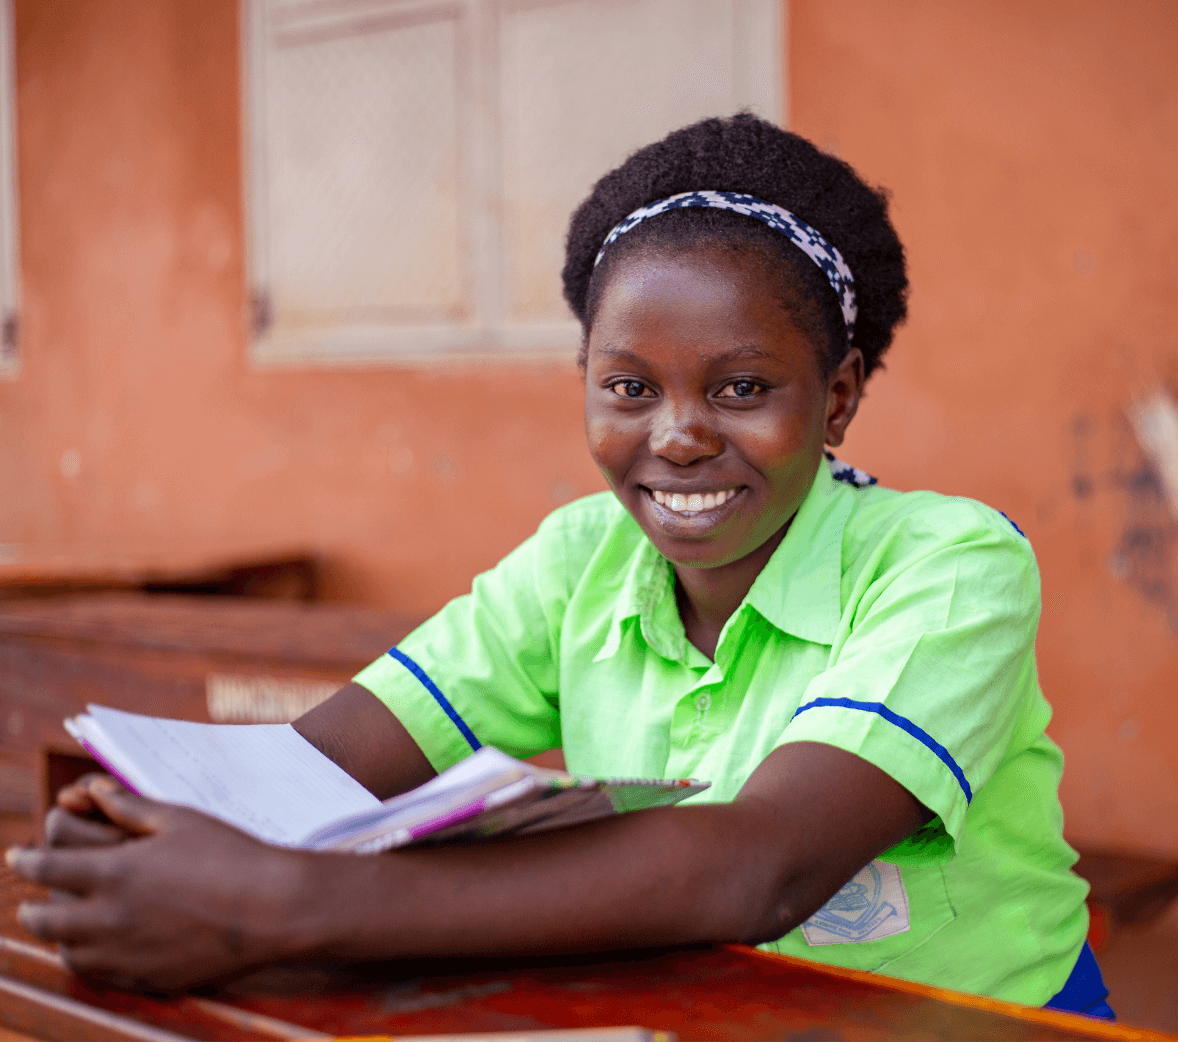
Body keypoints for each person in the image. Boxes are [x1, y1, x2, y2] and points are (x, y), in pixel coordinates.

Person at [7, 113, 1110, 1016]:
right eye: (630, 386)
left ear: (840, 397)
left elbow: (757, 864)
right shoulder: (581, 558)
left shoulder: (951, 562)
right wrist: (144, 832)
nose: (677, 435)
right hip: (704, 1007)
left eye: (741, 388)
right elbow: (320, 765)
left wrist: (288, 900)